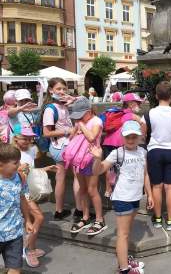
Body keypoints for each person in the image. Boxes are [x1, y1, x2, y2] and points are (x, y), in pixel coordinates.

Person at [91, 120, 153, 274]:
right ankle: (124, 269)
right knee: (123, 234)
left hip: (135, 197)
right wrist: (97, 158)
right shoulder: (117, 153)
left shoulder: (143, 152)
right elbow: (98, 171)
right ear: (122, 137)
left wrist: (150, 194)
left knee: (127, 232)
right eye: (128, 137)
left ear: (139, 137)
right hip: (122, 198)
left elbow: (145, 174)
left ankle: (123, 259)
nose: (131, 140)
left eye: (134, 137)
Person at [13, 125, 57, 268]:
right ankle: (27, 249)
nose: (27, 141)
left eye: (30, 138)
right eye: (24, 138)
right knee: (38, 217)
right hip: (19, 192)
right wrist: (18, 169)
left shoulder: (32, 150)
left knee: (33, 219)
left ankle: (30, 247)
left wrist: (45, 169)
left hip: (28, 190)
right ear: (15, 138)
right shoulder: (12, 154)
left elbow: (30, 171)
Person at [146, 81, 171, 231]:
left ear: (156, 96)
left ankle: (157, 219)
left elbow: (143, 134)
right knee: (170, 188)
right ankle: (170, 221)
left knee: (156, 186)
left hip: (154, 152)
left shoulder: (149, 113)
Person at [68, 97, 106, 236]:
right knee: (82, 189)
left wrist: (81, 127)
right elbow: (71, 138)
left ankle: (99, 219)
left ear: (89, 111)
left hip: (91, 158)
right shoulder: (81, 122)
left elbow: (92, 137)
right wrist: (75, 130)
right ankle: (85, 217)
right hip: (79, 158)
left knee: (92, 190)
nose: (79, 118)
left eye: (81, 115)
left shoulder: (96, 121)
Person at [42, 78, 79, 221]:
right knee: (73, 177)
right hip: (61, 146)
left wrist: (73, 99)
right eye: (58, 89)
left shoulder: (63, 105)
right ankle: (78, 210)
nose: (62, 91)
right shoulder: (50, 109)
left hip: (65, 146)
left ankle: (60, 210)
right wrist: (67, 131)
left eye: (64, 89)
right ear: (51, 90)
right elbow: (46, 133)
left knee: (62, 178)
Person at [0, 143, 34, 274]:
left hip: (15, 234)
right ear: (1, 164)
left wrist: (28, 220)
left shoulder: (19, 178)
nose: (19, 165)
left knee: (15, 269)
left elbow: (22, 199)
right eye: (15, 163)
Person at [102, 93, 144, 197]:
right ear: (130, 104)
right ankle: (121, 190)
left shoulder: (117, 113)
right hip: (119, 143)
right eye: (137, 103)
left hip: (107, 142)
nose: (140, 105)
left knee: (109, 167)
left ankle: (108, 190)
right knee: (122, 167)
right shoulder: (132, 115)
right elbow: (143, 125)